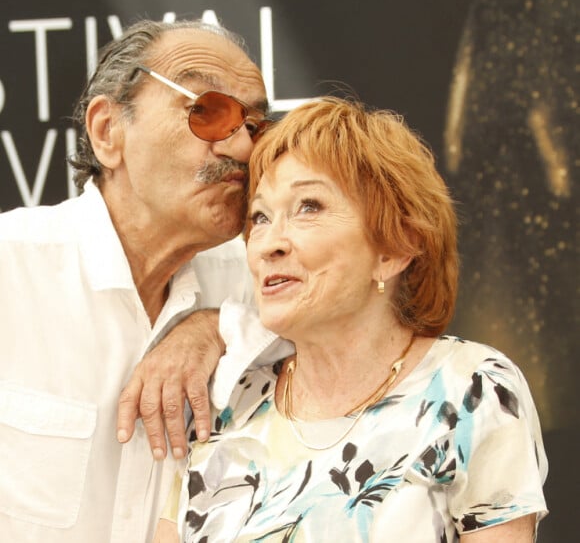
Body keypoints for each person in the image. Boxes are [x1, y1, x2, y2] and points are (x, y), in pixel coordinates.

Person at [156, 96, 548, 542]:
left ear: (395, 248)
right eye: (260, 217)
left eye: (309, 206)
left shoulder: (472, 391)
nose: (268, 244)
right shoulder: (228, 402)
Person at [0, 18, 281, 543]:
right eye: (208, 111)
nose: (244, 149)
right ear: (109, 131)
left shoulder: (260, 281)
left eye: (256, 126)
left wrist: (217, 325)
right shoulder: (10, 271)